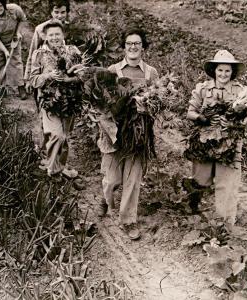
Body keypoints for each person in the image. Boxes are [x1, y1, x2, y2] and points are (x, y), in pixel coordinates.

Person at [98, 27, 158, 240]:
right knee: (112, 179)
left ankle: (129, 220)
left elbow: (158, 104)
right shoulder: (112, 71)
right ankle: (106, 200)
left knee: (132, 181)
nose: (133, 47)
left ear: (143, 47)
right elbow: (101, 106)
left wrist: (147, 108)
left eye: (137, 43)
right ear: (124, 47)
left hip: (138, 135)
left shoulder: (151, 73)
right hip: (114, 134)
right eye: (129, 43)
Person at [185, 49, 247, 226]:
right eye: (220, 70)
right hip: (204, 141)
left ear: (232, 72)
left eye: (227, 71)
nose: (223, 74)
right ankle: (193, 206)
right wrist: (202, 118)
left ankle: (224, 226)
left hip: (230, 144)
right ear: (214, 70)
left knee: (227, 185)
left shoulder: (242, 92)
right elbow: (190, 113)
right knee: (200, 180)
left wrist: (235, 124)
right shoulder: (202, 89)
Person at [30, 21, 82, 178]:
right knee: (57, 135)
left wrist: (68, 79)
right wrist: (48, 76)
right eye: (51, 35)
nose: (54, 37)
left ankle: (59, 166)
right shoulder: (39, 54)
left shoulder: (73, 51)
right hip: (49, 101)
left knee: (64, 137)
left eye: (57, 34)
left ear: (63, 35)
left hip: (70, 101)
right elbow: (33, 80)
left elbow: (82, 76)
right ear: (45, 36)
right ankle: (53, 172)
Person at [0, 0, 27, 99]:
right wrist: (5, 51)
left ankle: (20, 86)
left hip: (13, 38)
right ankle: (1, 88)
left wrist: (18, 32)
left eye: (0, 6)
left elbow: (22, 19)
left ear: (4, 5)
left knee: (16, 61)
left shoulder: (14, 9)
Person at [24, 0, 70, 93]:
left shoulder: (68, 27)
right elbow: (32, 53)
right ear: (51, 12)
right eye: (56, 12)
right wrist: (28, 79)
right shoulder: (41, 29)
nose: (60, 16)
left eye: (63, 12)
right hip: (45, 71)